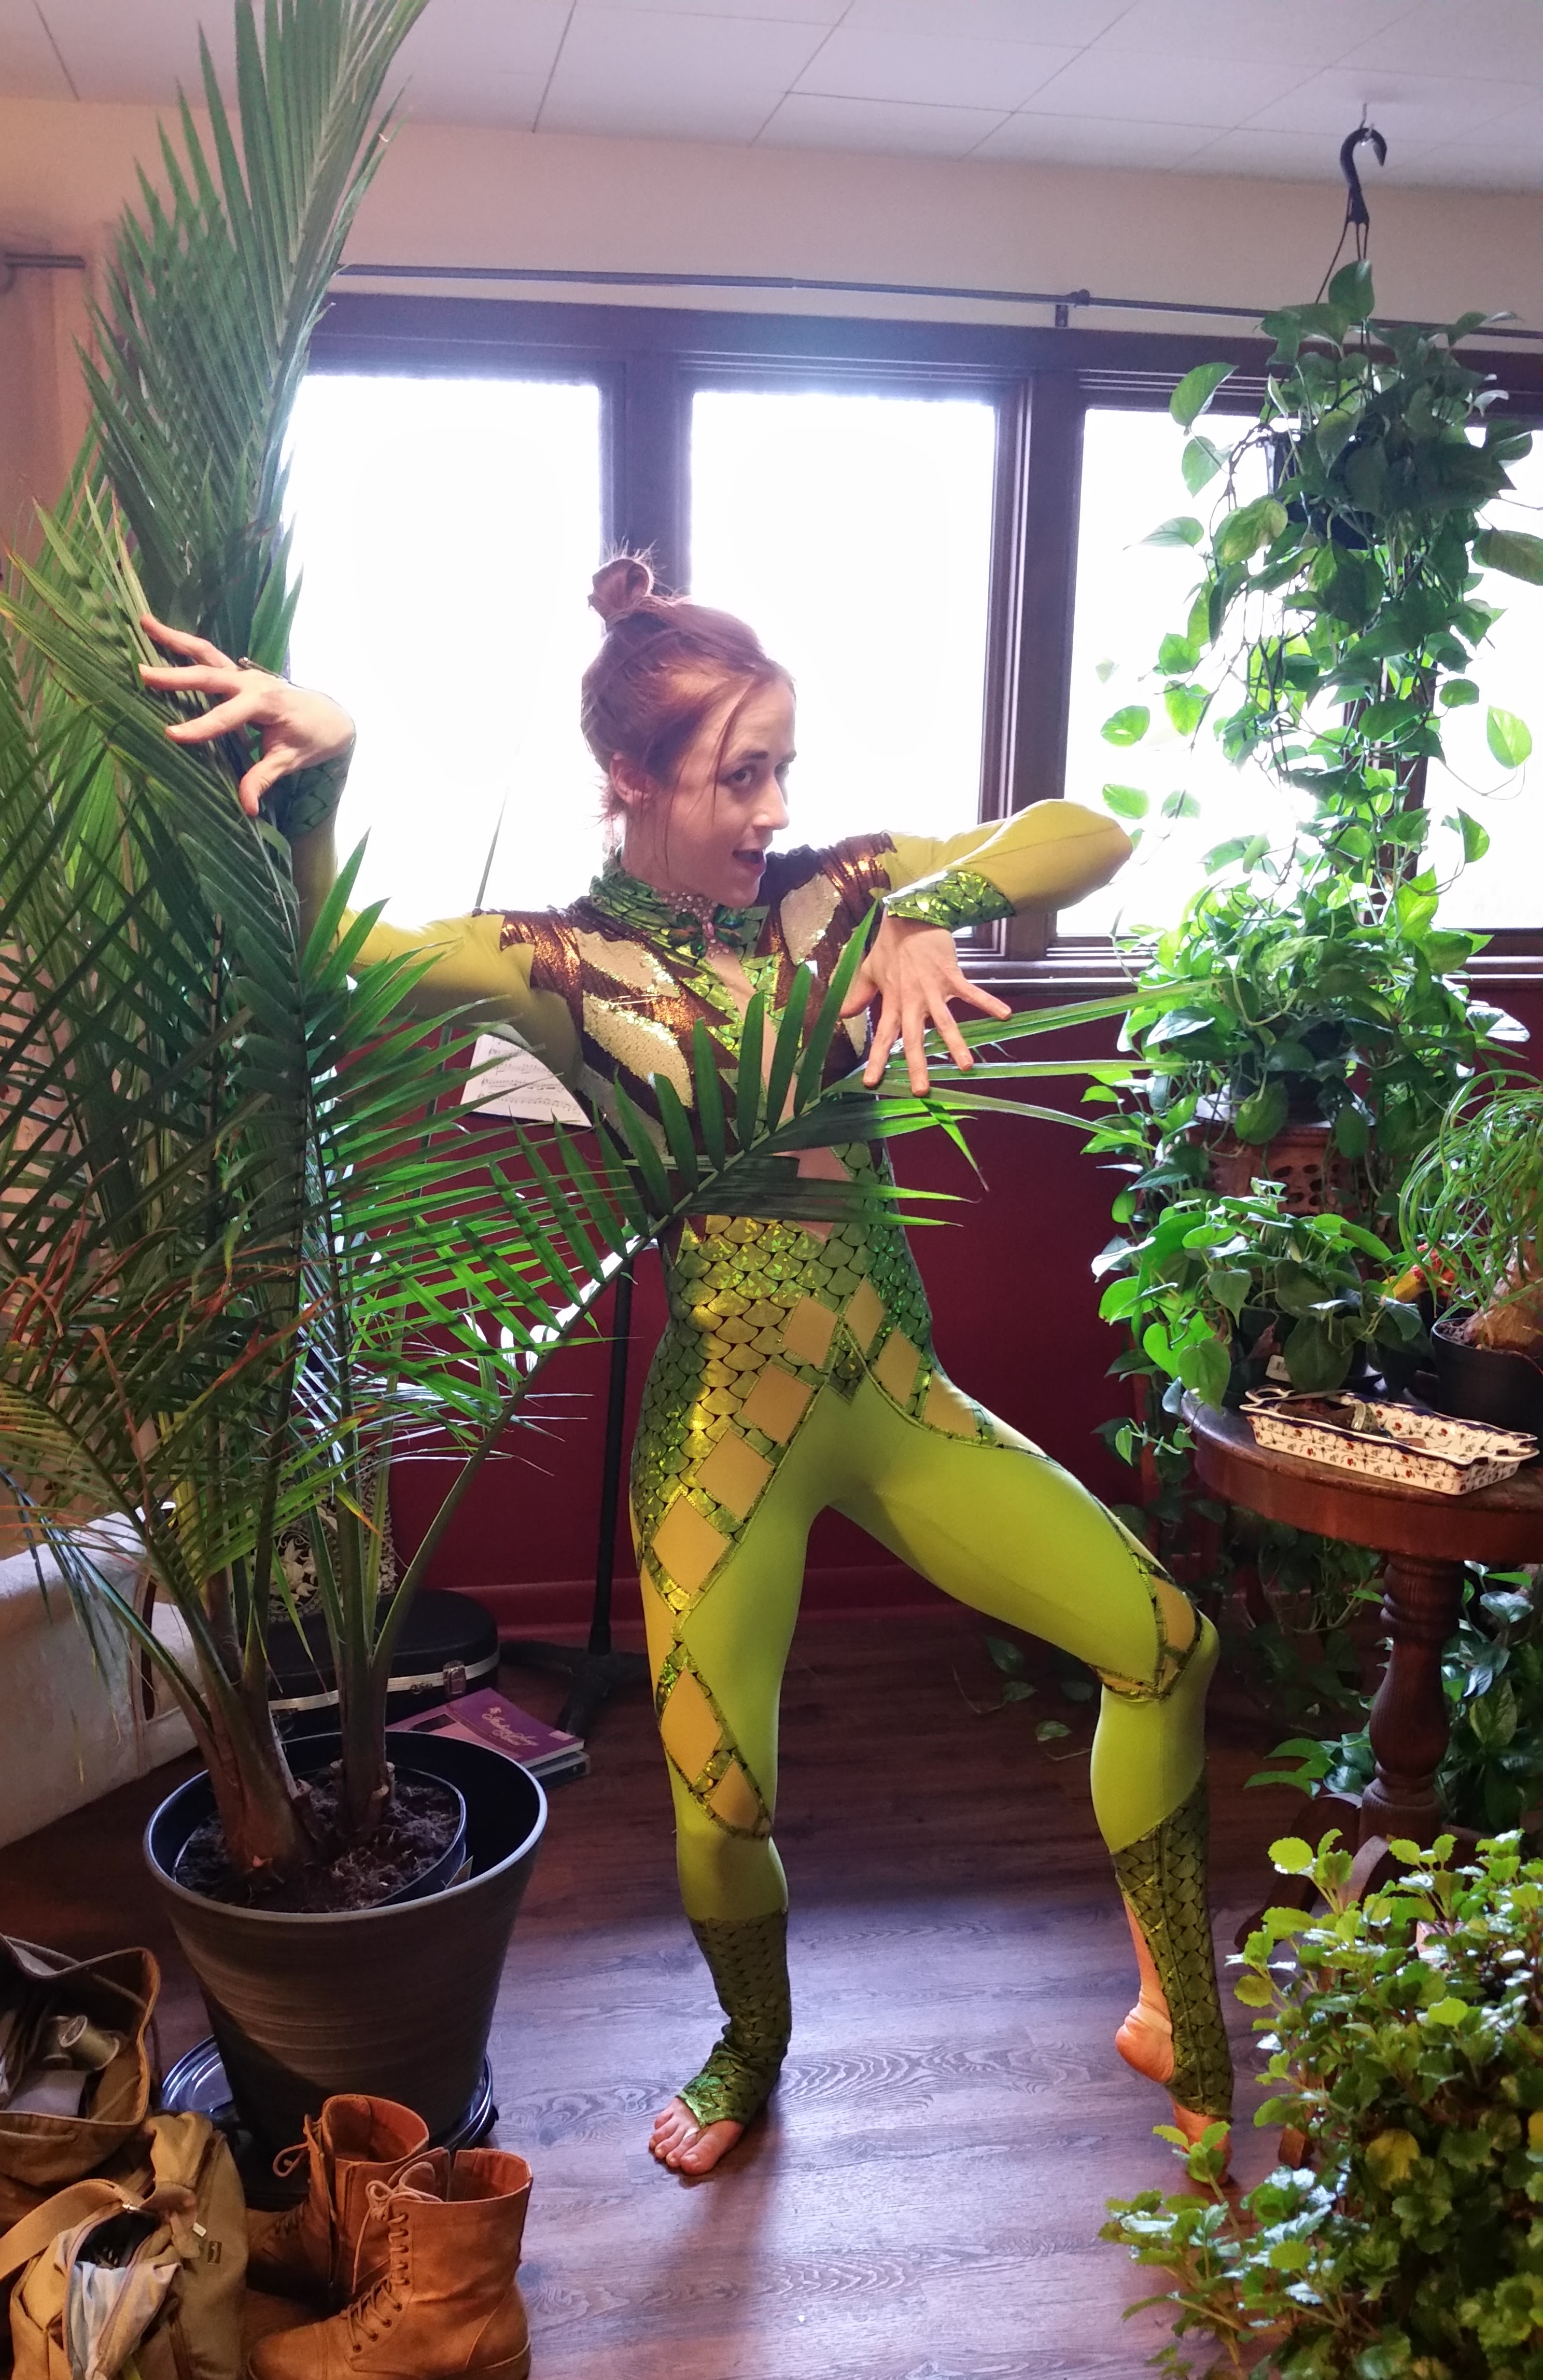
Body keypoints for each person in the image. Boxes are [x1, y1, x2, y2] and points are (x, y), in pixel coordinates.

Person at [140, 559, 1233, 2179]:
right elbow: (340, 967)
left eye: (784, 766)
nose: (773, 806)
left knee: (1169, 1648)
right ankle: (748, 2049)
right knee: (723, 1804)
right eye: (740, 775)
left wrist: (921, 911)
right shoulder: (562, 966)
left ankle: (1177, 2013)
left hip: (902, 1410)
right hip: (731, 1440)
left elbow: (1094, 831)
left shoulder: (832, 894)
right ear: (630, 779)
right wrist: (332, 775)